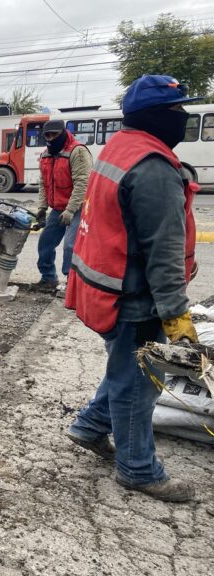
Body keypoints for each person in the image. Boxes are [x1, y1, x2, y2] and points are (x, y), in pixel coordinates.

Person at [65, 74, 202, 502]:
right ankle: (137, 469)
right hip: (133, 301)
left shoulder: (121, 147)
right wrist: (177, 319)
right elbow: (163, 256)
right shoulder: (154, 169)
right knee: (139, 386)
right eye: (178, 110)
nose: (184, 117)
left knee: (125, 372)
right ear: (157, 116)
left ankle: (88, 427)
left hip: (105, 290)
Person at [34, 119, 92, 293]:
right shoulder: (46, 155)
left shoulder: (78, 152)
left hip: (78, 208)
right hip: (58, 208)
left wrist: (70, 210)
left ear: (63, 133)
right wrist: (42, 208)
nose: (51, 138)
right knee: (45, 243)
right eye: (48, 135)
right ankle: (48, 279)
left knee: (70, 246)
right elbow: (43, 183)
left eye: (55, 134)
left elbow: (83, 183)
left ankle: (71, 285)